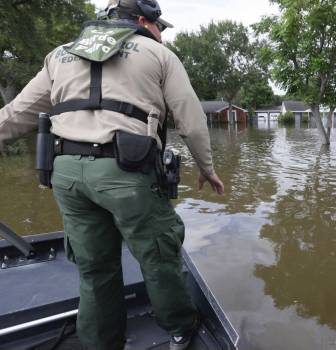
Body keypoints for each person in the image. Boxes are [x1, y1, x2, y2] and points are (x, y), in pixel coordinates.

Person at [0, 1, 224, 349]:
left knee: (94, 267)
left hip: (67, 175)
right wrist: (207, 168)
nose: (160, 33)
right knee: (158, 257)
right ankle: (180, 328)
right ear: (140, 20)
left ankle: (102, 342)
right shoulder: (158, 54)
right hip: (128, 173)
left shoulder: (60, 54)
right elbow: (191, 121)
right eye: (159, 26)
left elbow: (17, 114)